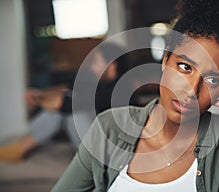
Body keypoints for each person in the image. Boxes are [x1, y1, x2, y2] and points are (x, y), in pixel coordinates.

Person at [46, 0, 219, 192]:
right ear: (165, 60)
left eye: (212, 80)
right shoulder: (109, 129)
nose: (191, 90)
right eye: (184, 67)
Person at [0, 42, 128, 161]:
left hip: (105, 152)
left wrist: (38, 100)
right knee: (70, 101)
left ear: (111, 65)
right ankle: (20, 145)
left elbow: (65, 103)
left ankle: (20, 147)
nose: (92, 67)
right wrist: (40, 94)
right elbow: (69, 88)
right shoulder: (101, 85)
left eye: (96, 62)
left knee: (69, 110)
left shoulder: (119, 90)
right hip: (95, 144)